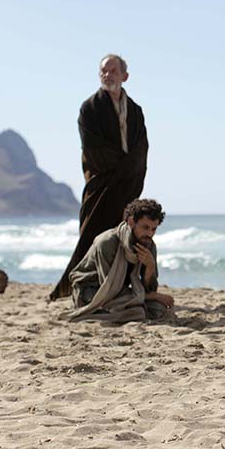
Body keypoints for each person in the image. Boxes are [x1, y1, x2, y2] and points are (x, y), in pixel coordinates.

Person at [50, 53, 149, 300]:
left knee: (123, 235)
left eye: (113, 71)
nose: (107, 75)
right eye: (104, 71)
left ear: (125, 76)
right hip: (102, 184)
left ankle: (118, 285)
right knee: (92, 233)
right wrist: (122, 167)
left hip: (128, 185)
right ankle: (78, 286)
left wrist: (130, 171)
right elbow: (93, 148)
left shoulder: (135, 110)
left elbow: (141, 147)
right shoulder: (90, 108)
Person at [67, 198, 175, 323]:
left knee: (158, 309)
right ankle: (88, 314)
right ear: (131, 222)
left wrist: (150, 266)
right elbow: (109, 289)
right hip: (92, 291)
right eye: (145, 227)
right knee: (137, 313)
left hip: (120, 293)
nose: (150, 233)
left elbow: (149, 289)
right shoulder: (107, 242)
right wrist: (154, 296)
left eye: (153, 229)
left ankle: (114, 312)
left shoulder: (148, 245)